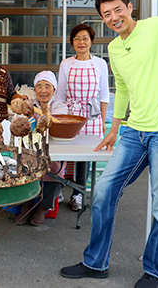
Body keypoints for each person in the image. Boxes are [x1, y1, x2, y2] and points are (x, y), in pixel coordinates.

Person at [60, 0, 158, 288]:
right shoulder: (115, 48)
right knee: (103, 192)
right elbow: (124, 89)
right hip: (135, 131)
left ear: (130, 7)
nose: (114, 17)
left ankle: (155, 270)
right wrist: (114, 128)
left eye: (118, 9)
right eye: (107, 14)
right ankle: (96, 262)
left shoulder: (156, 27)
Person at [56, 24, 110, 212]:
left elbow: (104, 95)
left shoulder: (100, 64)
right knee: (64, 152)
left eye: (85, 38)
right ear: (72, 43)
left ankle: (78, 194)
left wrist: (102, 121)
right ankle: (59, 187)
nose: (81, 42)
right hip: (70, 115)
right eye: (77, 38)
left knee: (85, 157)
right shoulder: (66, 64)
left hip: (92, 116)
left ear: (91, 41)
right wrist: (59, 117)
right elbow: (60, 95)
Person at [14, 71, 68, 226]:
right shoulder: (29, 104)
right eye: (39, 86)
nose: (43, 90)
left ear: (54, 89)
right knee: (23, 167)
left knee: (55, 170)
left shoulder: (59, 105)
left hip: (53, 147)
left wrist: (44, 110)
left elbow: (56, 124)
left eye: (47, 86)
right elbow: (19, 123)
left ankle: (43, 208)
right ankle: (26, 206)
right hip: (31, 148)